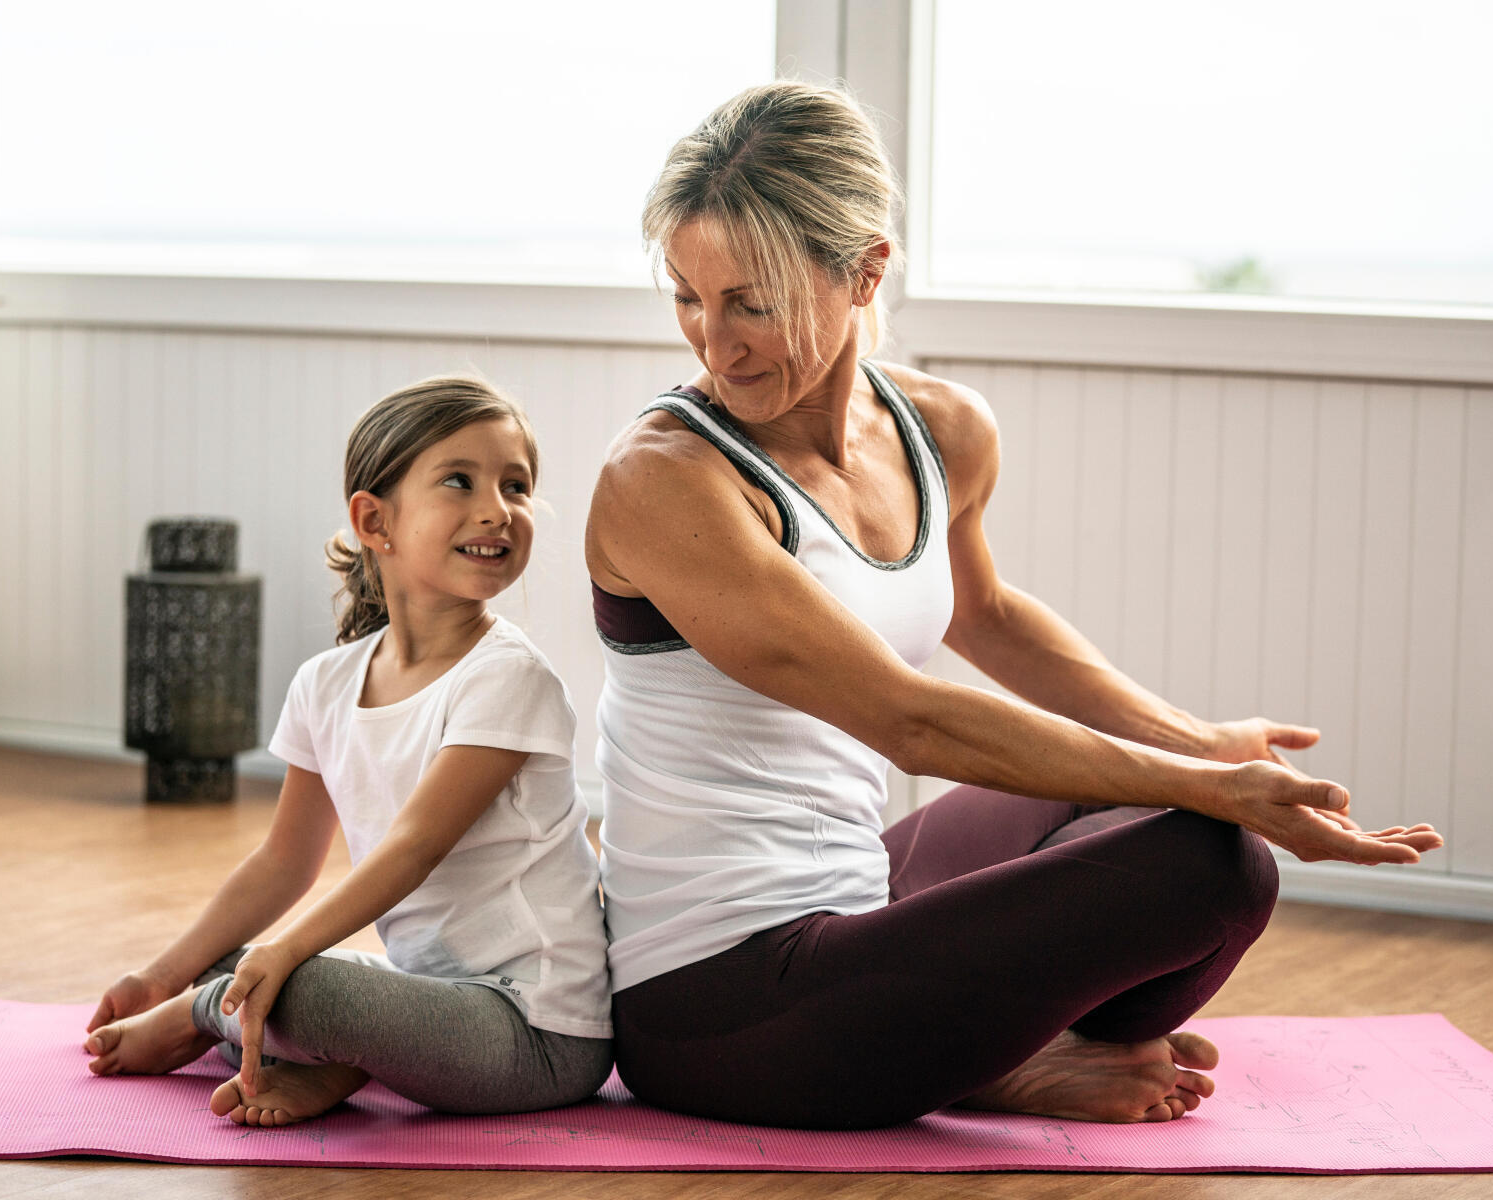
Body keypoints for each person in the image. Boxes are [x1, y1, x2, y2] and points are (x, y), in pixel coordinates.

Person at [585, 82, 1443, 1131]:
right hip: (716, 1003)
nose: (714, 347)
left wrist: (1208, 750)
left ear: (864, 270)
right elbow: (910, 718)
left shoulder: (940, 429)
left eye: (750, 302)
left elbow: (983, 614)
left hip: (864, 895)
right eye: (687, 297)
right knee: (1209, 866)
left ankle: (977, 1045)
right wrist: (1217, 787)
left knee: (1200, 839)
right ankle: (1001, 1058)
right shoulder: (667, 479)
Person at [82, 377, 613, 1126]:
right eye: (460, 481)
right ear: (375, 520)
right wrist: (159, 973)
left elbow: (414, 848)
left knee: (288, 982)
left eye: (517, 486)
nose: (499, 508)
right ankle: (321, 1058)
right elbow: (283, 863)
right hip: (430, 1008)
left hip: (535, 1035)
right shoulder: (326, 683)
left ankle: (206, 1019)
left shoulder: (510, 678)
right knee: (234, 960)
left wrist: (204, 994)